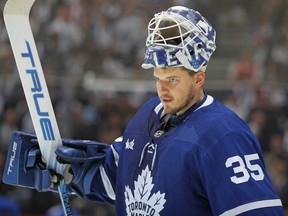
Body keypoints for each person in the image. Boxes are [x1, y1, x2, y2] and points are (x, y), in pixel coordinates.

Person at [2, 6, 284, 216]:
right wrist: (70, 170)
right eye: (158, 78)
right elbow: (119, 181)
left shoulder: (224, 135)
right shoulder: (148, 115)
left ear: (198, 78)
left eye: (172, 79)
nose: (162, 89)